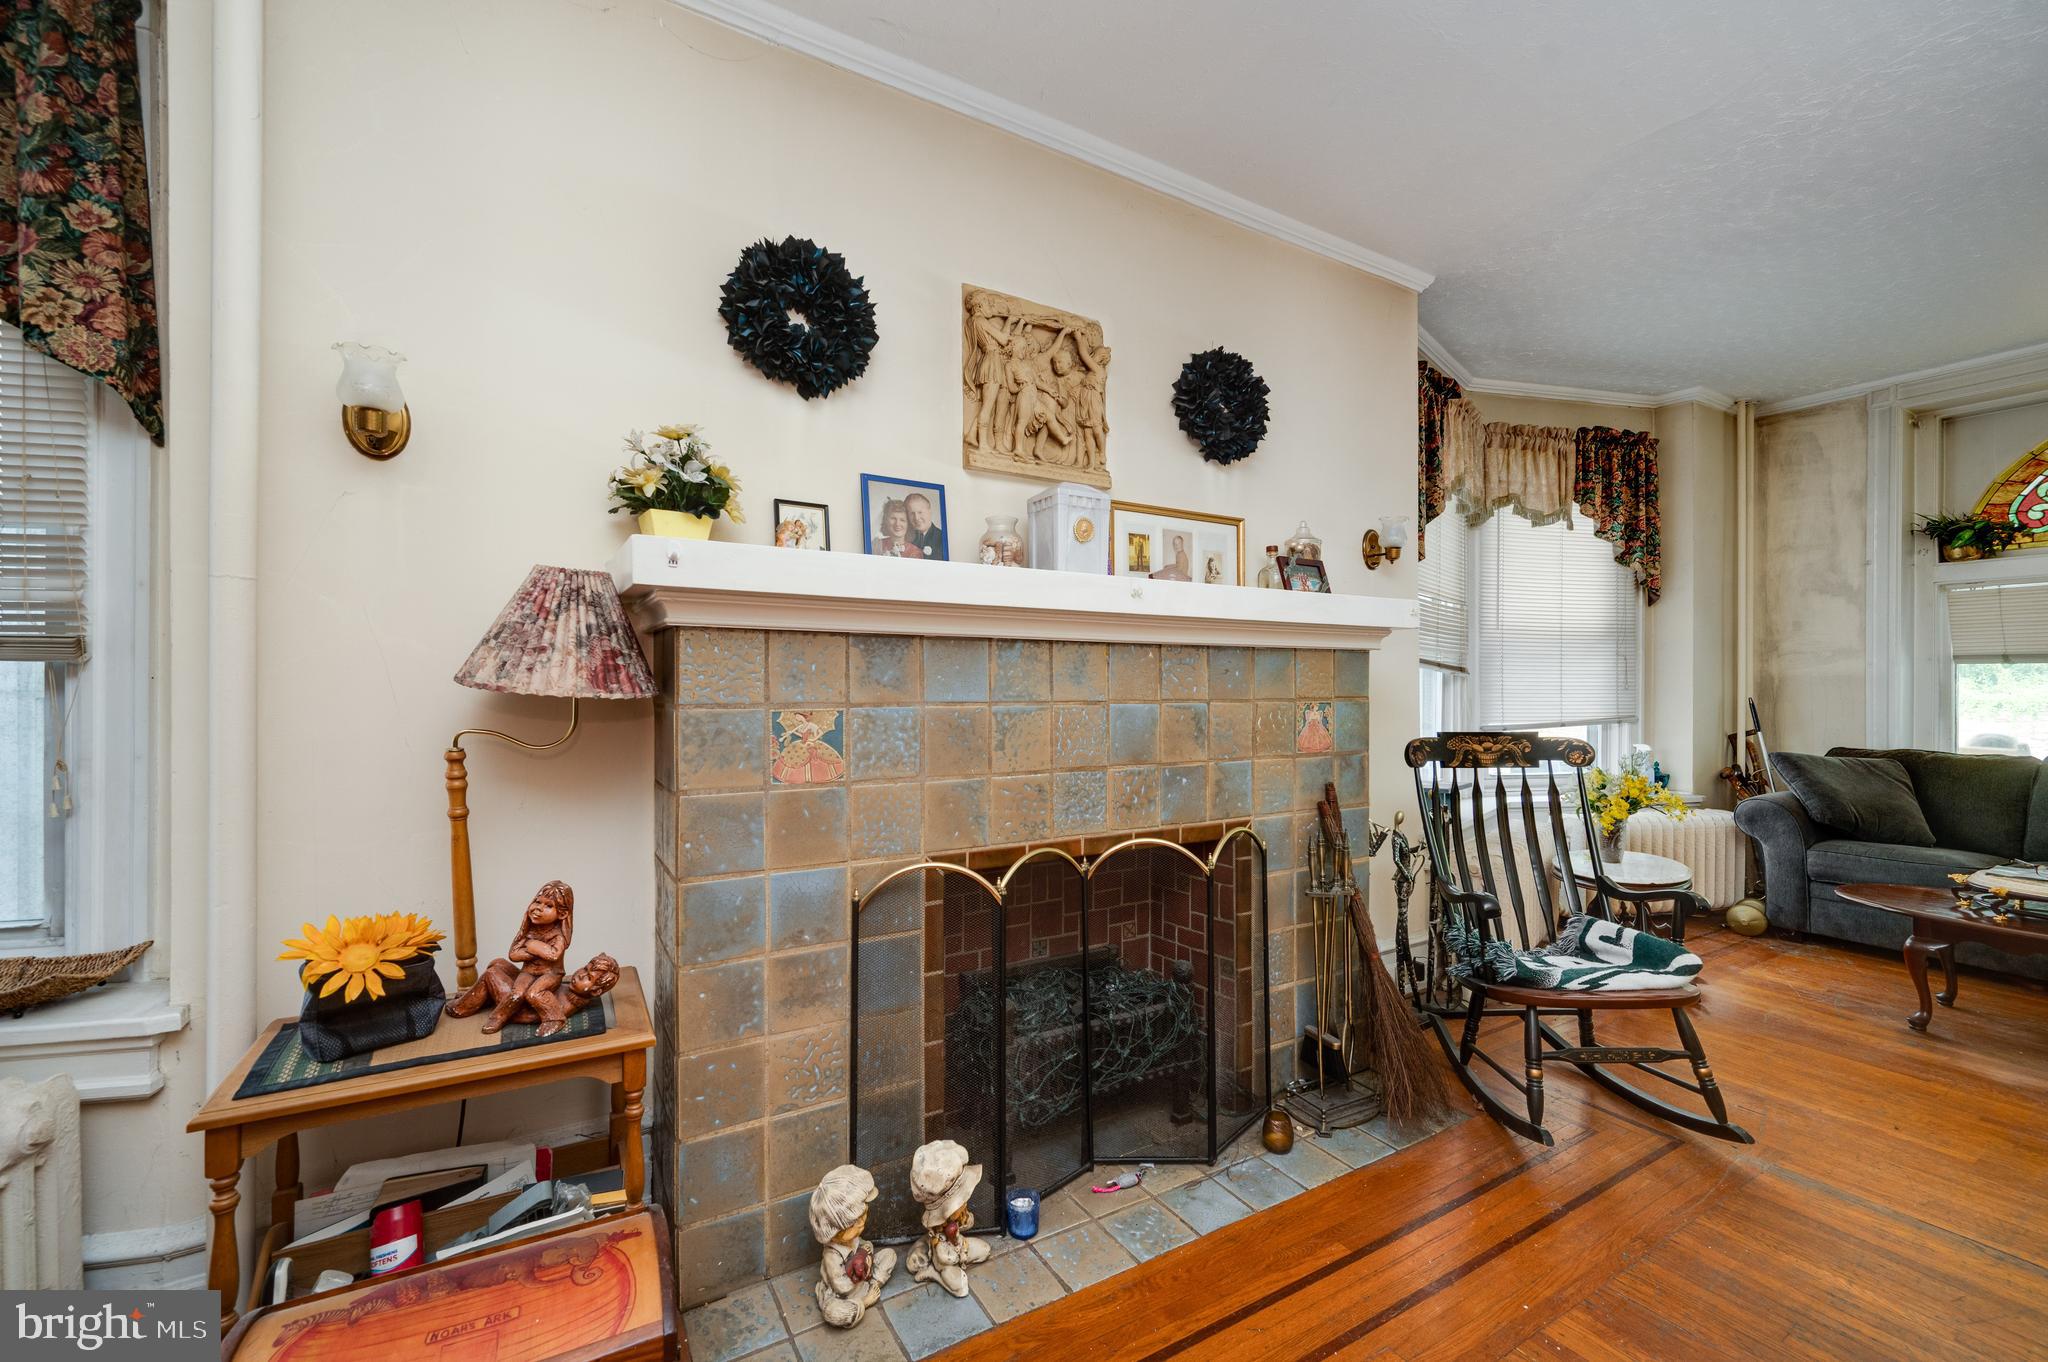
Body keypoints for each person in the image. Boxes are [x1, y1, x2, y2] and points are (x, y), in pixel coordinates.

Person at [904, 492, 945, 560]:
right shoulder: (904, 538)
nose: (916, 518)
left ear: (929, 512)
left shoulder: (942, 538)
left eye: (920, 512)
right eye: (912, 513)